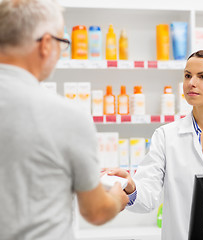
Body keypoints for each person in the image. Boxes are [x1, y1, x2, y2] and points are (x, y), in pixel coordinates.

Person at [0, 0, 128, 239]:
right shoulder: (65, 115)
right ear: (46, 44)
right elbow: (96, 211)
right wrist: (117, 198)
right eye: (62, 42)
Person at [105, 49, 203, 240]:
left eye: (202, 76)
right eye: (188, 76)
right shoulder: (165, 136)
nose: (191, 83)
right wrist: (131, 186)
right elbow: (148, 198)